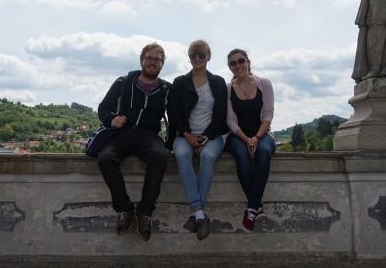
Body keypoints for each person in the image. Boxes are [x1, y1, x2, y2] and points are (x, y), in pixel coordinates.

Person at [97, 43, 171, 241]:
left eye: (157, 59)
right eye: (149, 58)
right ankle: (124, 208)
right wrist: (112, 118)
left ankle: (144, 211)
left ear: (162, 64)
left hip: (149, 136)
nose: (152, 62)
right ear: (142, 60)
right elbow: (103, 108)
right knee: (105, 158)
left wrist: (172, 142)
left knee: (160, 157)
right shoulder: (123, 82)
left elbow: (177, 117)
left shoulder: (166, 89)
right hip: (123, 133)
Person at [167, 40, 228, 240]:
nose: (198, 59)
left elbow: (221, 116)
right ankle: (199, 213)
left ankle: (197, 215)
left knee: (208, 156)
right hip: (185, 134)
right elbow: (173, 113)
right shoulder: (179, 82)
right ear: (189, 57)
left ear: (208, 57)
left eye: (201, 55)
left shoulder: (218, 82)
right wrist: (188, 135)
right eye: (194, 55)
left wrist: (205, 138)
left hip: (211, 135)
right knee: (183, 154)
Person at [224, 48, 276, 233]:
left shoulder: (264, 84)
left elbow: (268, 113)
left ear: (248, 62)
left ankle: (252, 208)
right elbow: (229, 119)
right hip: (237, 136)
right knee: (241, 155)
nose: (238, 65)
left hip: (262, 134)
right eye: (233, 63)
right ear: (229, 67)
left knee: (263, 152)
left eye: (241, 61)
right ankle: (257, 207)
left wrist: (256, 138)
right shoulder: (228, 89)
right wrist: (246, 139)